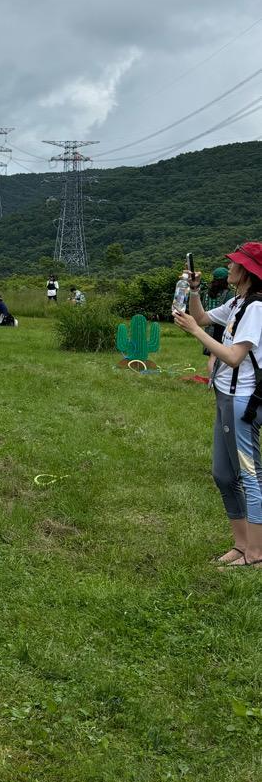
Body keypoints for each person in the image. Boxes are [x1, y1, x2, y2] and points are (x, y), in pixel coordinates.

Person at [173, 242, 262, 567]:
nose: (231, 267)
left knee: (250, 475)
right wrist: (194, 291)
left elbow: (234, 356)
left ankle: (257, 552)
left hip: (243, 402)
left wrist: (196, 332)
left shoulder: (256, 308)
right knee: (223, 474)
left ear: (248, 273)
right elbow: (203, 316)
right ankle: (242, 545)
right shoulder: (237, 302)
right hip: (225, 397)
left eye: (236, 264)